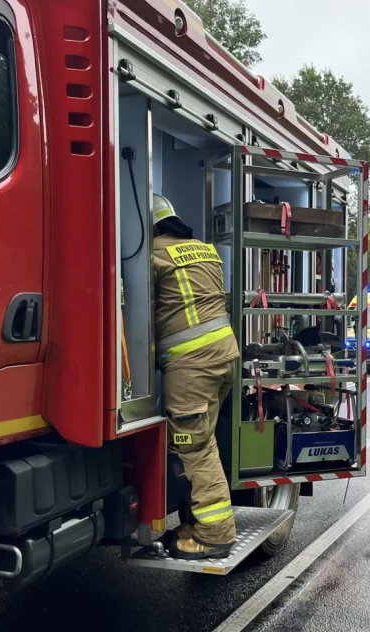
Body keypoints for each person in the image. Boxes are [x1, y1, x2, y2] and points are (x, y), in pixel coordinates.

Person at [151, 193, 240, 560]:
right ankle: (192, 521)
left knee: (193, 447)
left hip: (192, 365)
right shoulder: (204, 249)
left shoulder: (152, 255)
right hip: (224, 355)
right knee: (203, 444)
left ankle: (216, 534)